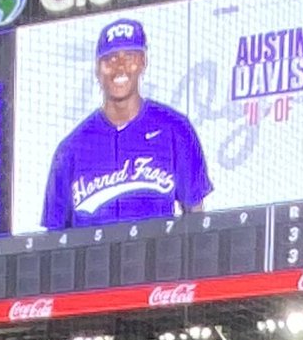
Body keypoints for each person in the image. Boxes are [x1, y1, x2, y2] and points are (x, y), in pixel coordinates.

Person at [42, 18, 213, 230]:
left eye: (129, 57)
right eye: (110, 59)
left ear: (143, 62)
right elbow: (54, 236)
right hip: (94, 261)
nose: (120, 67)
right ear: (97, 69)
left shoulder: (175, 129)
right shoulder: (71, 149)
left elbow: (195, 216)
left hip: (158, 258)